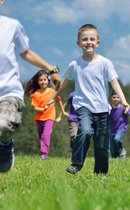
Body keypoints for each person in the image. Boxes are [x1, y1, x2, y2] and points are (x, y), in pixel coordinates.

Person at [60, 23, 130, 175]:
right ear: (78, 43)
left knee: (102, 145)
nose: (89, 42)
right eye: (85, 39)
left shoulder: (105, 63)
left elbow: (114, 82)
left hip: (102, 109)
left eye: (92, 39)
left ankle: (100, 173)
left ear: (98, 42)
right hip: (83, 106)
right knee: (84, 131)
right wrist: (53, 96)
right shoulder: (75, 64)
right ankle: (76, 163)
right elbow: (64, 81)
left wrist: (124, 100)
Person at [0, 0, 61, 172]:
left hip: (8, 91)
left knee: (3, 125)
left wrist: (51, 69)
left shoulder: (12, 26)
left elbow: (25, 52)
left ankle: (5, 144)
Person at [24, 70, 65, 160]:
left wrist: (62, 114)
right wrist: (42, 109)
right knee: (41, 137)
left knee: (45, 135)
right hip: (39, 118)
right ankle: (43, 153)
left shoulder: (53, 92)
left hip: (49, 117)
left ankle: (44, 154)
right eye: (40, 80)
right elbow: (34, 107)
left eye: (44, 80)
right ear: (38, 82)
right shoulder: (36, 94)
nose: (43, 82)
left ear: (48, 80)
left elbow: (59, 101)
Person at [110, 91, 130, 158]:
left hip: (122, 128)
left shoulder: (123, 108)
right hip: (111, 130)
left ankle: (122, 152)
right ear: (111, 98)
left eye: (118, 97)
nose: (116, 99)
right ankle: (115, 159)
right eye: (114, 97)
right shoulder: (109, 109)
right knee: (112, 150)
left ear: (120, 99)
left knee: (117, 139)